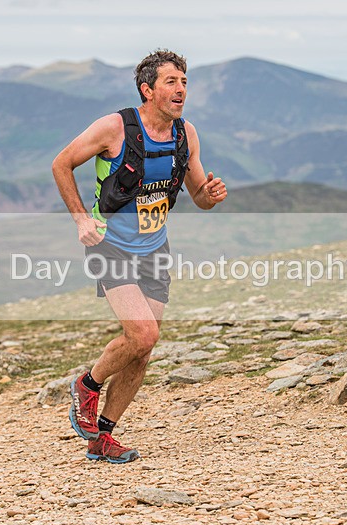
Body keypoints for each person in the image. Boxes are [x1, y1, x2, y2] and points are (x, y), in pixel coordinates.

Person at [51, 49, 227, 463]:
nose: (181, 89)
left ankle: (103, 435)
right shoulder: (114, 128)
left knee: (143, 348)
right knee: (143, 334)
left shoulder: (186, 135)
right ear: (147, 90)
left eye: (184, 82)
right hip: (109, 244)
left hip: (155, 249)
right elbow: (61, 164)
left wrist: (210, 196)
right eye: (171, 82)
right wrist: (80, 220)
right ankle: (87, 385)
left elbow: (199, 196)